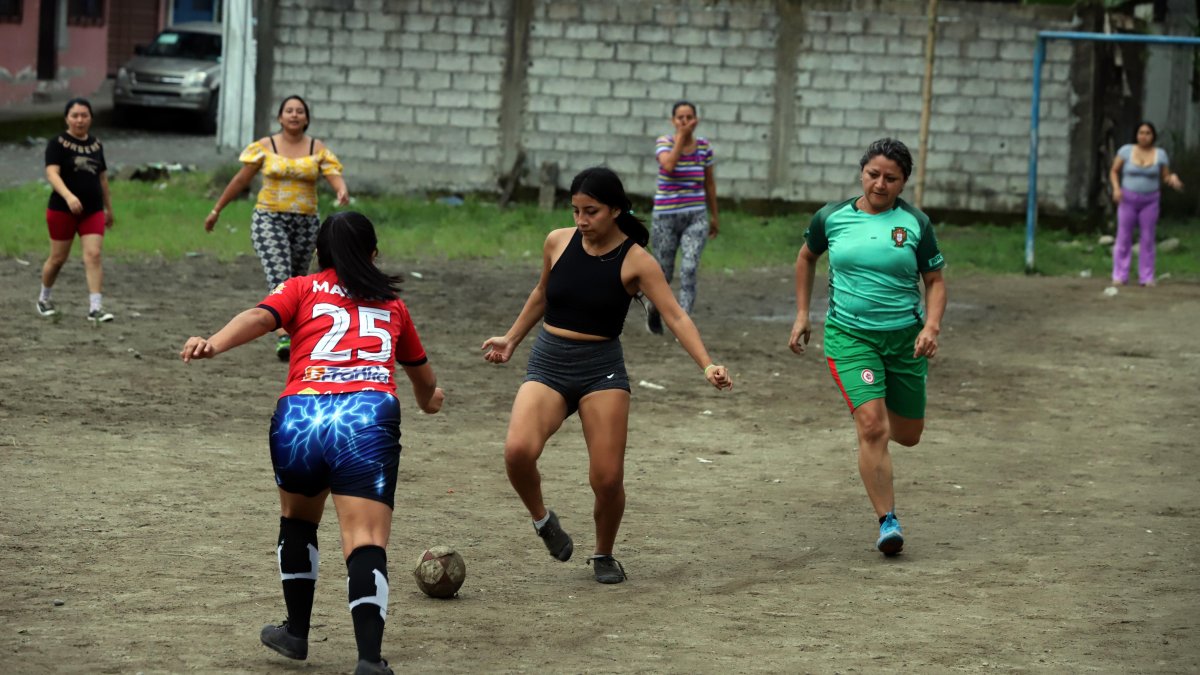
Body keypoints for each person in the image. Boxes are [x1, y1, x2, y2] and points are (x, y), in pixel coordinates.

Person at [181, 212, 444, 675]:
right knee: (364, 539)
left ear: (320, 254)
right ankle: (367, 660)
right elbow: (423, 378)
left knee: (298, 521)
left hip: (300, 415)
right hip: (365, 416)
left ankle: (296, 633)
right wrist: (429, 399)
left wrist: (214, 343)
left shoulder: (301, 288)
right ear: (373, 255)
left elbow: (259, 318)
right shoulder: (393, 307)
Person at [482, 167, 732, 584]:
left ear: (616, 210)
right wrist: (511, 338)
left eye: (591, 212)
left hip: (601, 370)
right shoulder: (557, 242)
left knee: (607, 478)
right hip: (549, 362)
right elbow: (541, 294)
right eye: (576, 210)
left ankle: (603, 553)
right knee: (517, 452)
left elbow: (673, 314)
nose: (581, 221)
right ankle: (543, 520)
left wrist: (707, 364)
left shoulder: (636, 260)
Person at [787, 138, 946, 557]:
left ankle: (876, 436)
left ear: (903, 182)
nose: (880, 184)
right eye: (873, 174)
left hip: (904, 340)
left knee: (908, 436)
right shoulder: (832, 217)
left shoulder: (915, 224)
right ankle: (887, 521)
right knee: (872, 425)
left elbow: (935, 280)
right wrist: (803, 314)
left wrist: (931, 326)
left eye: (891, 178)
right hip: (850, 336)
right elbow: (806, 258)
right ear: (862, 173)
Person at [204, 95, 350, 360]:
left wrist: (341, 191)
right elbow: (240, 180)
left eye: (299, 111)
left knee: (297, 281)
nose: (294, 115)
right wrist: (216, 210)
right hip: (269, 218)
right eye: (289, 111)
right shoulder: (265, 146)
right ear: (280, 117)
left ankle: (296, 334)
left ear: (306, 118)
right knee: (280, 276)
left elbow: (333, 176)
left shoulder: (317, 148)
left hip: (306, 222)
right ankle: (284, 336)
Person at [36, 98, 115, 323]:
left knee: (94, 254)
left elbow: (103, 179)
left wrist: (109, 208)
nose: (80, 120)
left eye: (84, 115)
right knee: (58, 258)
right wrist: (69, 196)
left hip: (92, 210)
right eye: (75, 115)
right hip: (62, 209)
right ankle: (44, 298)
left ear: (90, 118)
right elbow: (52, 174)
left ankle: (95, 308)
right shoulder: (57, 143)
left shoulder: (96, 145)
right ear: (67, 118)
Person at [645, 100, 719, 334]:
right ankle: (654, 309)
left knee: (688, 268)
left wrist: (714, 215)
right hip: (665, 218)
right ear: (673, 121)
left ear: (696, 120)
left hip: (695, 216)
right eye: (680, 118)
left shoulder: (704, 148)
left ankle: (682, 325)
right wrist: (681, 138)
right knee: (663, 273)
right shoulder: (664, 143)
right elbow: (668, 165)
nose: (685, 122)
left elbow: (709, 182)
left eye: (689, 117)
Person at [1108, 121, 1185, 287]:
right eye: (1141, 133)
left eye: (1148, 133)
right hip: (1127, 199)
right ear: (1136, 135)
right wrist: (1116, 189)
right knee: (1124, 237)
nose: (1144, 136)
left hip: (1150, 201)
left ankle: (1147, 276)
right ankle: (1120, 275)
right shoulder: (1126, 151)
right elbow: (1114, 171)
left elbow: (1165, 176)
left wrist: (1172, 179)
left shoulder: (1160, 154)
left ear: (1153, 136)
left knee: (1148, 237)